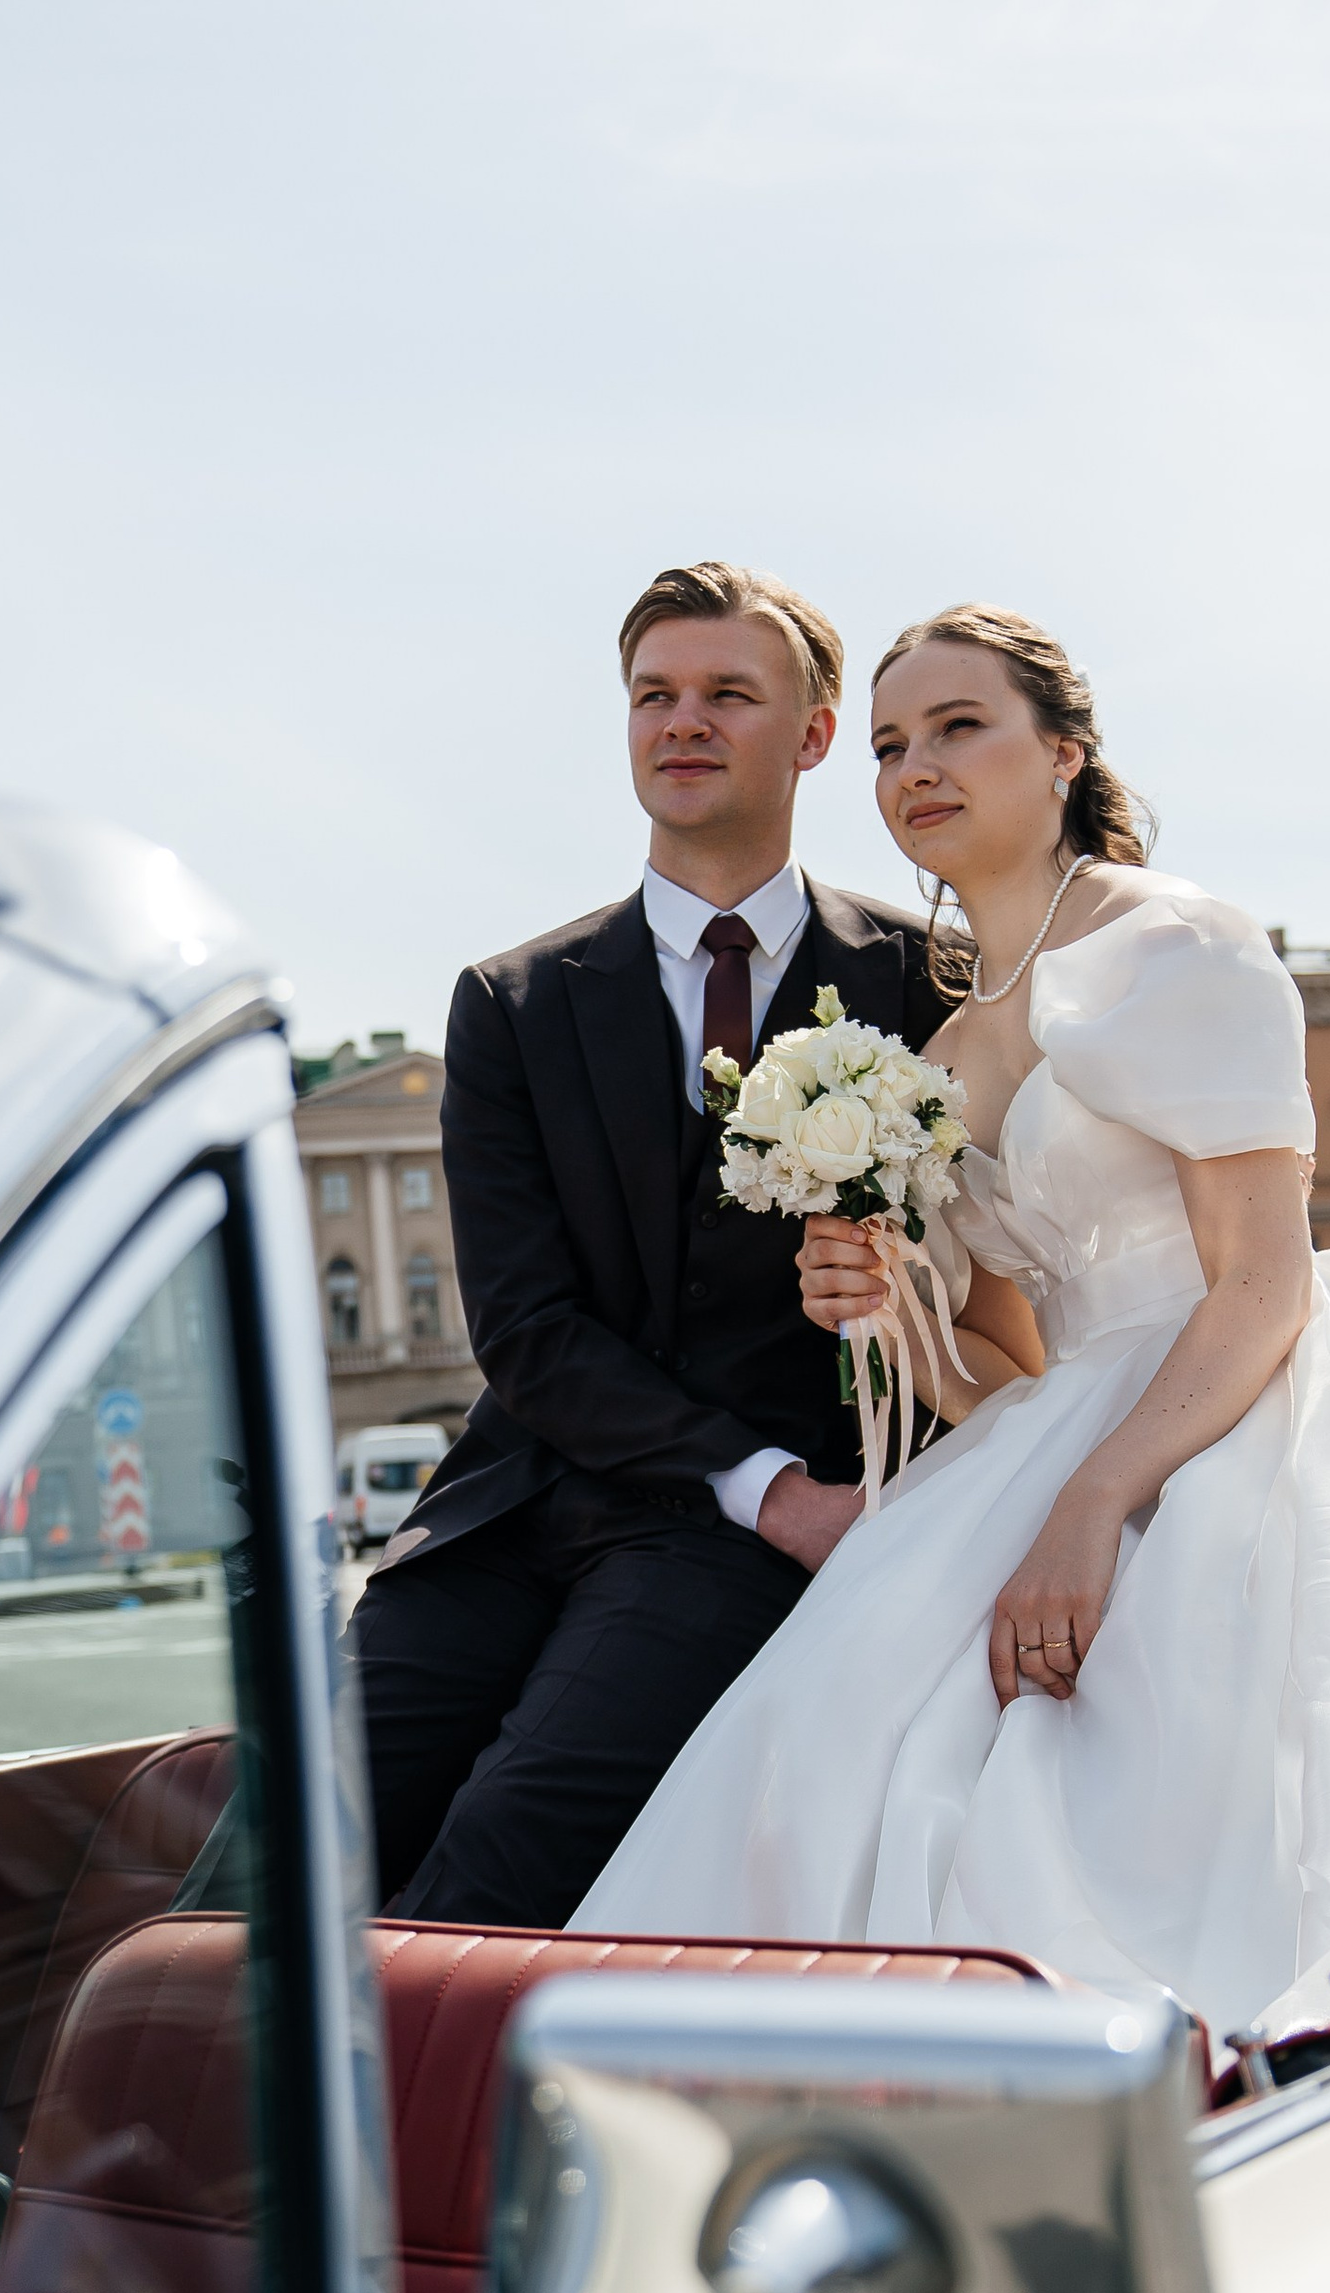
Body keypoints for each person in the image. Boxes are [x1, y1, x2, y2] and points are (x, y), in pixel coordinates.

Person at [574, 605, 1330, 2028]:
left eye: (962, 728)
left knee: (1207, 1766)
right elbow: (1007, 1376)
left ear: (1064, 753)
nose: (917, 766)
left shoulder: (1178, 944)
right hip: (1072, 1422)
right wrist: (890, 1310)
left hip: (1246, 1397)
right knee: (833, 1738)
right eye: (893, 742)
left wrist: (1088, 1510)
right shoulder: (949, 1045)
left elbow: (1264, 1281)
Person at [352, 559, 951, 1924]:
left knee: (497, 1860)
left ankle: (396, 2134)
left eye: (729, 694)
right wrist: (765, 1484)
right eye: (654, 696)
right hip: (511, 1508)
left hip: (724, 1546)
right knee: (284, 1841)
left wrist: (794, 1490)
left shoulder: (925, 982)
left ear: (810, 736)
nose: (683, 722)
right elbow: (521, 1323)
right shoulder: (510, 1001)